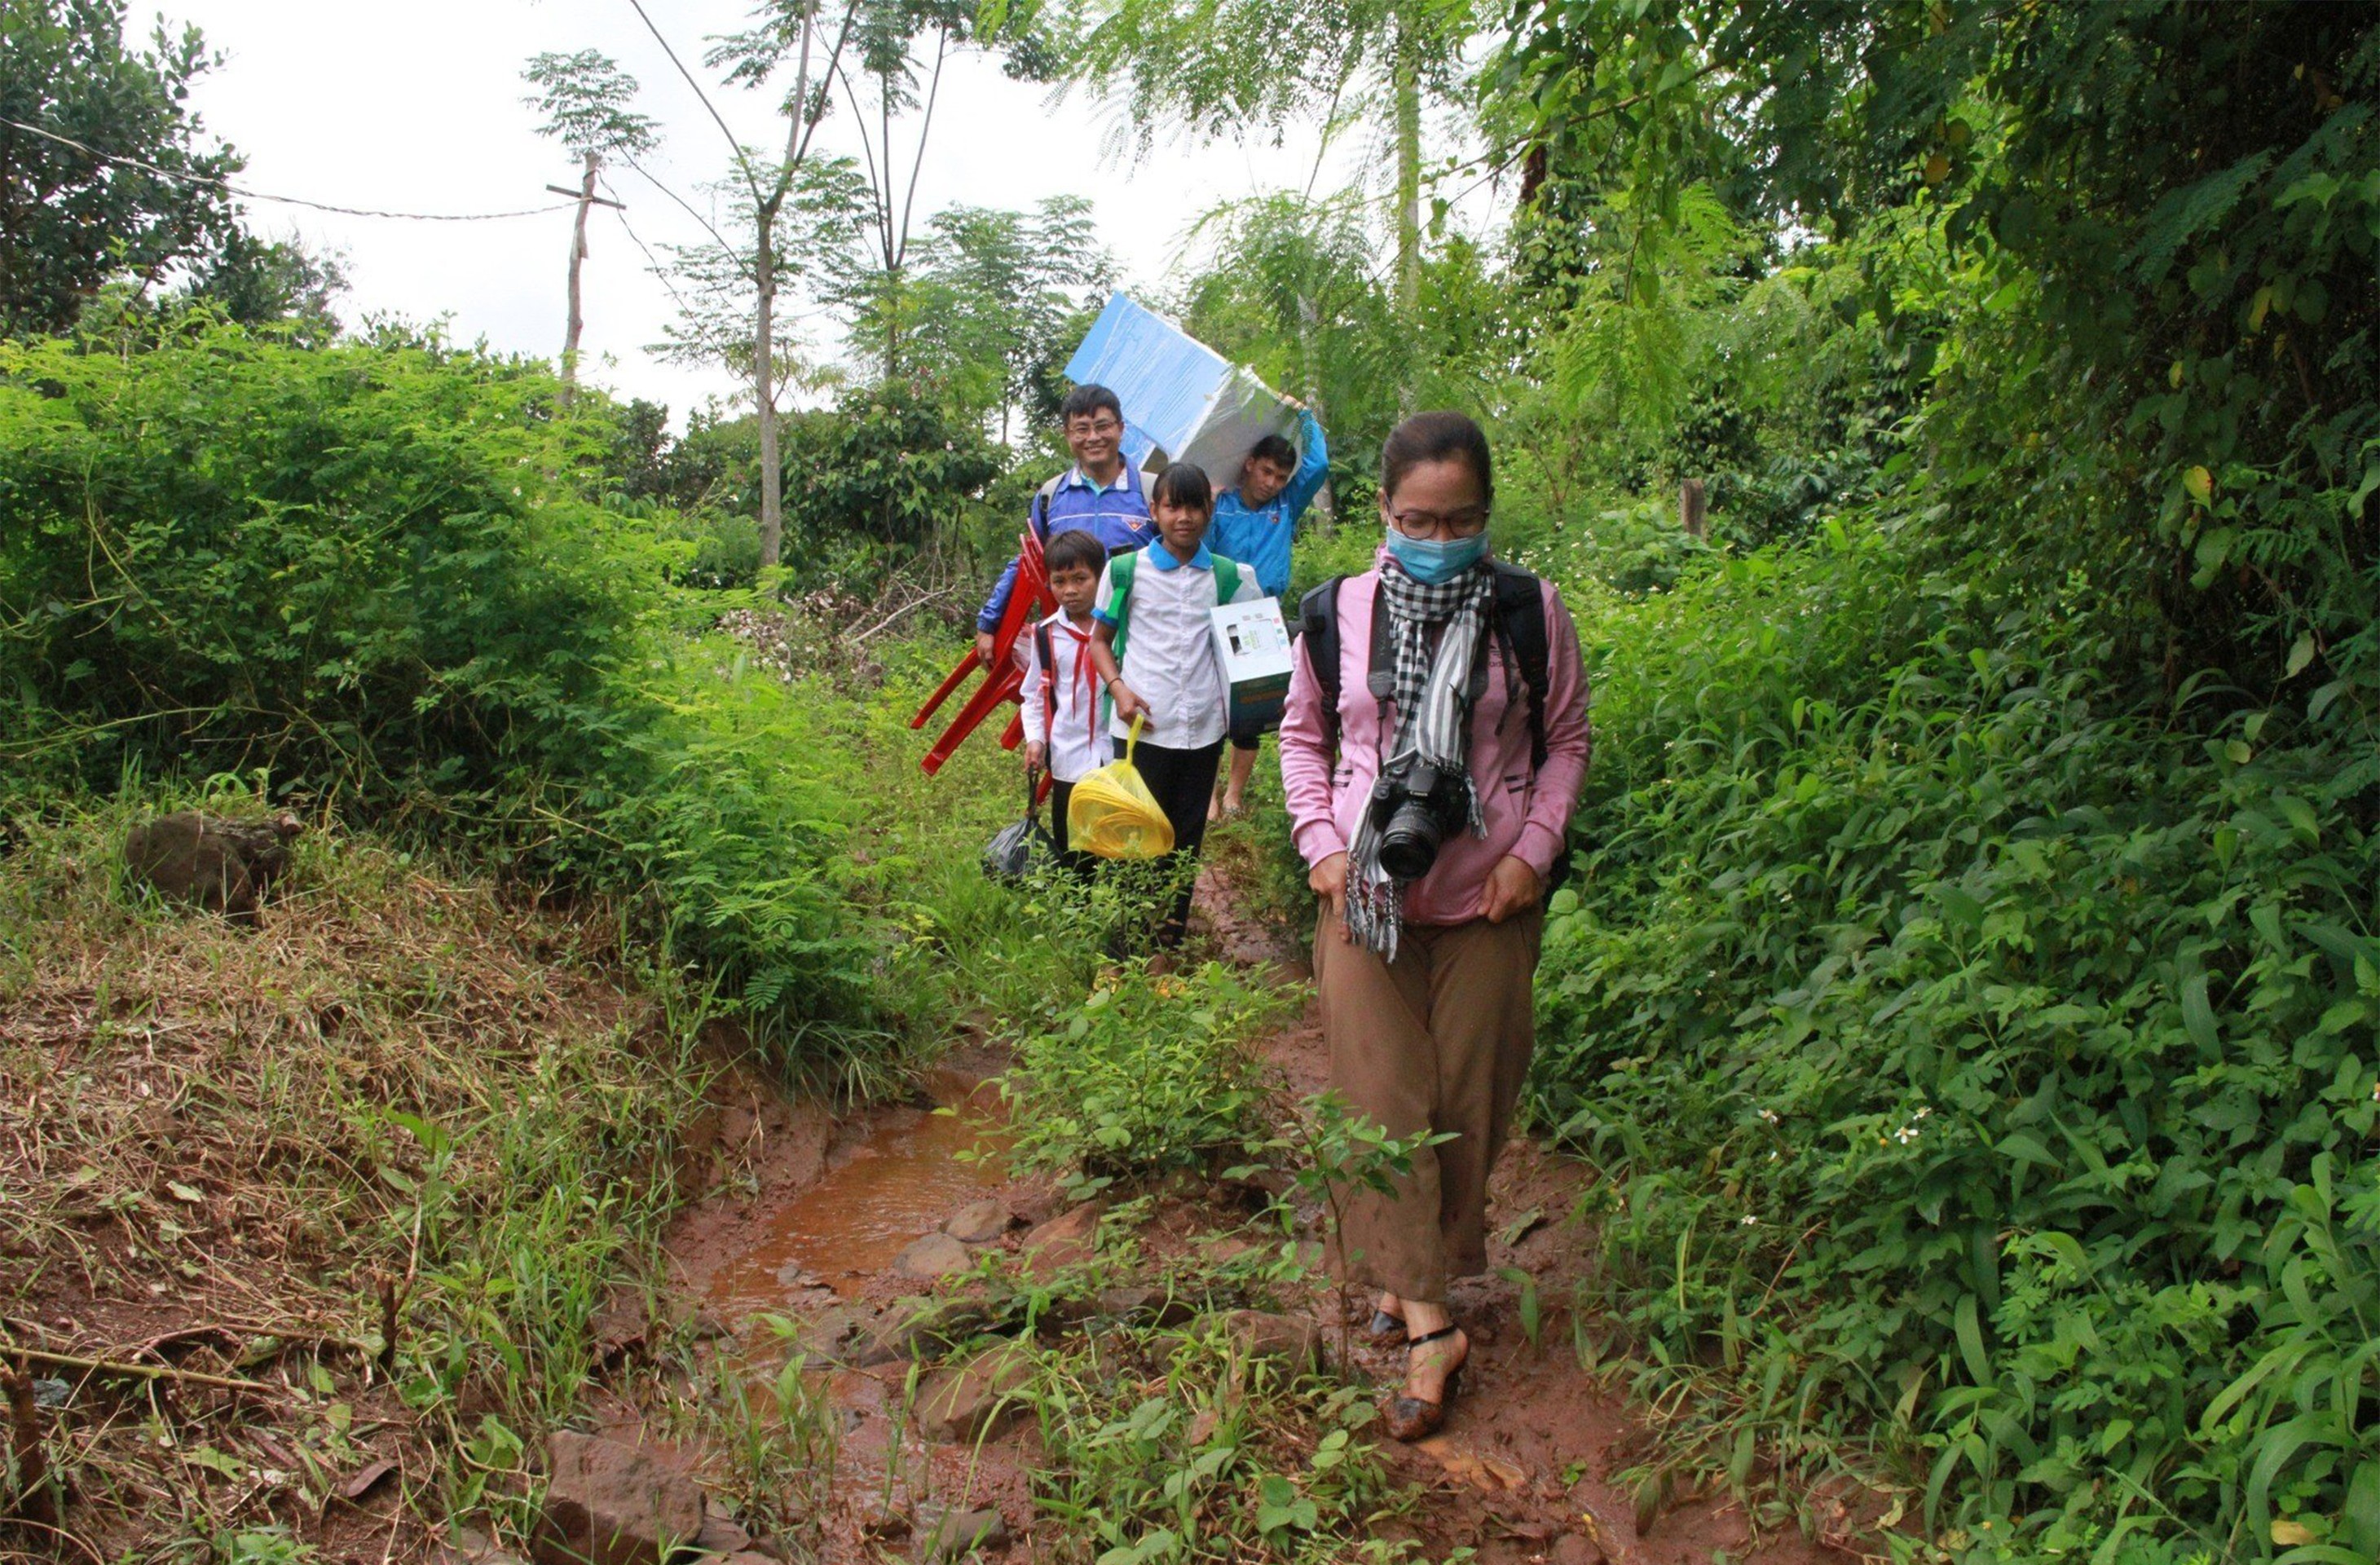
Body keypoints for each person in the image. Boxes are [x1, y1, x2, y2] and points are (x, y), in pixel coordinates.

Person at [1276, 411, 1590, 1441]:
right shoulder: (1336, 614)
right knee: (1380, 1104)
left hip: (1486, 901)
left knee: (1470, 1101)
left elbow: (1565, 743)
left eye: (1459, 519)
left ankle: (1409, 1272)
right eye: (1418, 517)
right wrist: (1320, 844)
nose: (1438, 535)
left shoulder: (1529, 613)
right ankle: (1428, 1325)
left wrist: (1529, 855)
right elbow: (1303, 738)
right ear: (1383, 510)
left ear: (1485, 515)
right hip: (1363, 897)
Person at [1085, 461, 1260, 953]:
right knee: (1134, 837)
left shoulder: (1228, 576)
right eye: (1172, 506)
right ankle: (1123, 951)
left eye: (1194, 506)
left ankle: (1166, 947)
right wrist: (1119, 689)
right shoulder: (1125, 571)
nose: (1184, 517)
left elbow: (1249, 652)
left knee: (1186, 841)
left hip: (1203, 730)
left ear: (1209, 510)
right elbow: (1099, 641)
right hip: (1141, 728)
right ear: (1154, 511)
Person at [976, 385, 1157, 668]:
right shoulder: (1051, 496)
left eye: (1102, 426)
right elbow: (1028, 561)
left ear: (1121, 429)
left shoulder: (1152, 491)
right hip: (1072, 646)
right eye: (1082, 429)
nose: (1093, 437)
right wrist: (989, 621)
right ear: (1068, 435)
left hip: (1141, 644)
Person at [1205, 407, 1329, 818]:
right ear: (1250, 465)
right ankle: (1208, 794)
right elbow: (1200, 551)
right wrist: (1205, 506)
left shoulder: (1286, 506)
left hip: (1264, 613)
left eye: (1280, 477)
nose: (1272, 483)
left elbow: (1320, 464)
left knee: (1252, 706)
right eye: (1267, 472)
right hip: (1219, 612)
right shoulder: (1220, 505)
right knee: (1209, 702)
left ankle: (1233, 795)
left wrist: (1305, 417)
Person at [1019, 529, 1111, 876]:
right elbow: (1033, 695)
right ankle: (1080, 915)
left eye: (1080, 579)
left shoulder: (1121, 629)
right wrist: (1035, 739)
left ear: (1101, 578)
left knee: (1117, 842)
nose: (1070, 590)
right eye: (1059, 581)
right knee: (1073, 849)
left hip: (1115, 758)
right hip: (1069, 758)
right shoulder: (1046, 634)